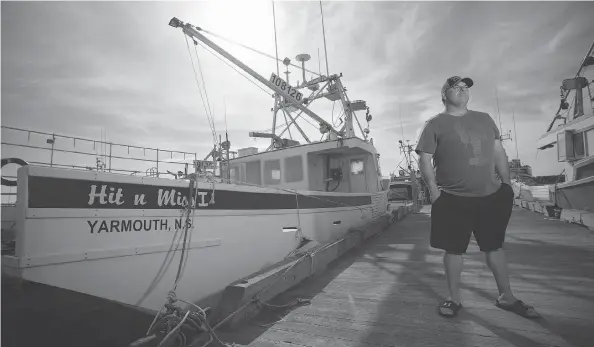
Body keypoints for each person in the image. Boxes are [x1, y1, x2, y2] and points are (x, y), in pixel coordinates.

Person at [415, 76, 540, 319]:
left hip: (490, 196)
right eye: (456, 88)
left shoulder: (484, 119)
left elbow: (498, 152)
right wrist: (433, 191)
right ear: (444, 95)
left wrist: (506, 183)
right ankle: (454, 299)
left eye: (465, 88)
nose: (462, 91)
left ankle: (507, 296)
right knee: (453, 250)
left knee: (494, 248)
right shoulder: (434, 124)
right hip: (451, 197)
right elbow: (424, 159)